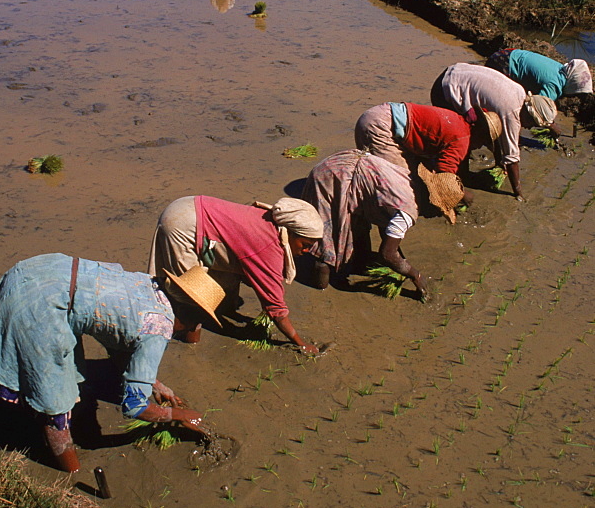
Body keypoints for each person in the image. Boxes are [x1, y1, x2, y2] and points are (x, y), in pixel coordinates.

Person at [0, 253, 218, 472]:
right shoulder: (158, 327)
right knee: (55, 400)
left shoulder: (148, 284)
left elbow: (122, 337)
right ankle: (69, 473)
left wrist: (155, 385)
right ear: (189, 319)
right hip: (40, 305)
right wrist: (178, 414)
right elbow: (133, 406)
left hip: (37, 269)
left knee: (66, 370)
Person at [148, 196, 323, 355]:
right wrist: (301, 343)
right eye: (305, 244)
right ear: (289, 233)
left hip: (189, 206)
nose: (306, 251)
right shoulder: (268, 247)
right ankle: (180, 336)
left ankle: (217, 312)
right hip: (183, 225)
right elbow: (276, 308)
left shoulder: (269, 222)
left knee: (225, 279)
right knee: (192, 295)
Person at [302, 149, 435, 295]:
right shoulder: (407, 212)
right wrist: (415, 275)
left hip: (344, 166)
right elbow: (387, 254)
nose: (435, 216)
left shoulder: (411, 181)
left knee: (359, 228)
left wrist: (401, 261)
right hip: (332, 178)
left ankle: (359, 263)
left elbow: (387, 230)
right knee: (327, 243)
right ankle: (320, 291)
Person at [431, 62, 557, 201]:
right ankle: (456, 175)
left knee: (470, 134)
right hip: (446, 89)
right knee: (461, 136)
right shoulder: (511, 114)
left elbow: (497, 134)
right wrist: (518, 192)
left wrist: (498, 161)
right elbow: (512, 159)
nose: (529, 128)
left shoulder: (519, 92)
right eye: (533, 123)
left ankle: (459, 169)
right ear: (528, 113)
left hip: (455, 71)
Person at [355, 102, 501, 190]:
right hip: (381, 126)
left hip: (379, 114)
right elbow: (444, 174)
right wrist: (462, 194)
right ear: (478, 131)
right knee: (400, 184)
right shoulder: (462, 138)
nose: (481, 145)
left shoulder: (456, 121)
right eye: (484, 140)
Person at [485, 48, 593, 102]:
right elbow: (538, 106)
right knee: (499, 99)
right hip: (503, 63)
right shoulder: (555, 85)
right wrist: (551, 126)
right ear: (572, 85)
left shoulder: (559, 68)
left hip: (508, 53)